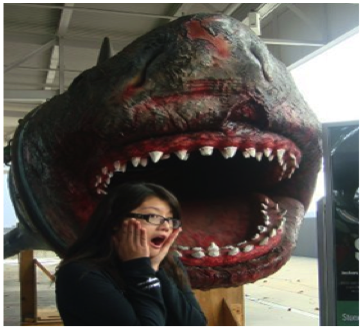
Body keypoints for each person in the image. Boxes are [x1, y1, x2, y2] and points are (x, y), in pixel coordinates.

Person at [55, 182, 207, 326]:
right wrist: (141, 271)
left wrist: (155, 271)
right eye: (153, 217)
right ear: (115, 221)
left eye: (170, 219)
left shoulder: (169, 264)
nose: (166, 226)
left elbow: (197, 324)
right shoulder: (80, 274)